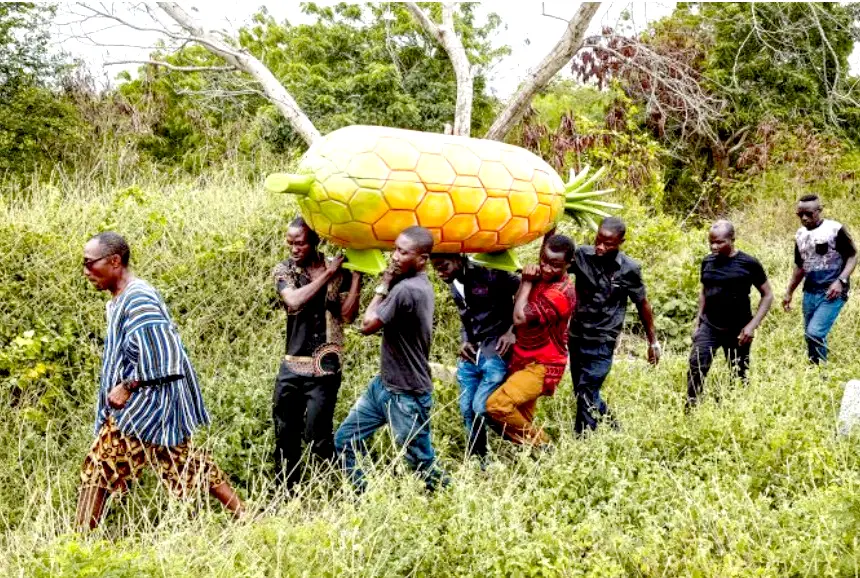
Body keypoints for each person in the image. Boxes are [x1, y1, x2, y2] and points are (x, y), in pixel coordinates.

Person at [76, 232, 243, 531]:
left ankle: (76, 544)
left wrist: (127, 385)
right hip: (159, 406)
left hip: (144, 406)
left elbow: (166, 358)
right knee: (186, 463)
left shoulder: (139, 299)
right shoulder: (121, 299)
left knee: (99, 468)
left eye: (90, 263)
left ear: (114, 261)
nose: (85, 271)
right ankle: (247, 517)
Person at [334, 226, 447, 491]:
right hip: (384, 386)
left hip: (407, 395)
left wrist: (383, 283)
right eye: (395, 249)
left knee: (421, 463)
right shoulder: (412, 285)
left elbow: (367, 325)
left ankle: (447, 497)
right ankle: (365, 497)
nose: (395, 256)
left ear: (422, 259)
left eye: (403, 252)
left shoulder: (408, 290)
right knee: (345, 440)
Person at [271, 217, 361, 488]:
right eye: (290, 243)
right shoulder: (284, 270)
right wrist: (328, 274)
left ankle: (344, 486)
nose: (294, 249)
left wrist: (356, 278)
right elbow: (294, 301)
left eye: (300, 243)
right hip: (292, 365)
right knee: (285, 434)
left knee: (317, 436)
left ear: (315, 242)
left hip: (326, 367)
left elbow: (347, 315)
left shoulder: (339, 269)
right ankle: (286, 491)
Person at [566, 217, 660, 434]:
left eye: (607, 244)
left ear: (620, 242)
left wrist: (653, 342)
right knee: (582, 391)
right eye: (598, 240)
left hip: (603, 340)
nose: (600, 247)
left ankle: (583, 438)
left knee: (587, 390)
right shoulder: (582, 255)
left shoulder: (629, 269)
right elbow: (554, 265)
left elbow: (642, 304)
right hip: (577, 336)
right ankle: (613, 427)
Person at [485, 235, 577, 446]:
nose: (546, 268)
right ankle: (533, 457)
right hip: (523, 358)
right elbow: (519, 302)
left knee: (498, 405)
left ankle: (545, 446)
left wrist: (526, 281)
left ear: (568, 264)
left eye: (555, 265)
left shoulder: (562, 293)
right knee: (519, 417)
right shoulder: (542, 277)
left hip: (542, 365)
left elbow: (519, 317)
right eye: (544, 260)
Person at [430, 254, 518, 459]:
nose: (440, 273)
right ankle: (478, 459)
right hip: (472, 353)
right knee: (467, 409)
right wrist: (465, 340)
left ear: (459, 258)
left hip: (495, 350)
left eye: (443, 266)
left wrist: (512, 331)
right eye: (435, 268)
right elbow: (465, 316)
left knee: (481, 407)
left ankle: (526, 443)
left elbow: (527, 290)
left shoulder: (489, 271)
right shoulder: (453, 281)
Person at [686, 220, 773, 407]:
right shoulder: (707, 261)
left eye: (720, 242)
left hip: (738, 328)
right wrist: (698, 322)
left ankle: (736, 407)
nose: (714, 246)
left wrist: (751, 326)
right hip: (710, 324)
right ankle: (691, 407)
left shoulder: (749, 263)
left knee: (738, 371)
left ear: (732, 239)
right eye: (711, 242)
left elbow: (767, 295)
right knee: (696, 364)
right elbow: (704, 291)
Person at [783, 194, 857, 364]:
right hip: (810, 291)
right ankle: (815, 371)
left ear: (819, 210)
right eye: (800, 214)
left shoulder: (835, 229)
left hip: (832, 292)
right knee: (809, 336)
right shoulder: (800, 234)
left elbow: (853, 256)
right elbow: (800, 266)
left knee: (815, 333)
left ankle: (822, 370)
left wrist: (841, 281)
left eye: (809, 214)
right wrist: (789, 292)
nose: (804, 218)